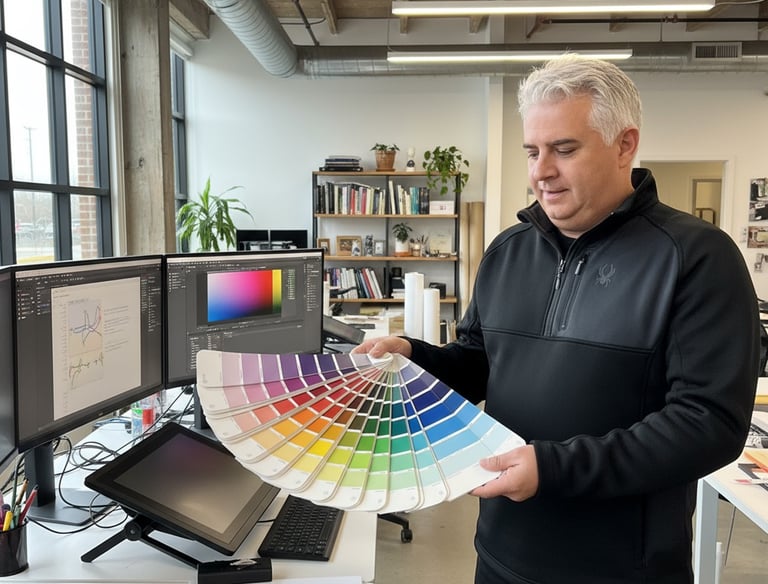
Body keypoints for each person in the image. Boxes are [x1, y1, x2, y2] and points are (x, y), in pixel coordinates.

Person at [353, 54, 761, 584]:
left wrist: (554, 468)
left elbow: (709, 424)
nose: (541, 172)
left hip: (621, 571)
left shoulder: (696, 257)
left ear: (625, 145)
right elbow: (478, 362)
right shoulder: (507, 251)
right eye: (532, 151)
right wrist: (413, 358)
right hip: (498, 554)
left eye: (564, 150)